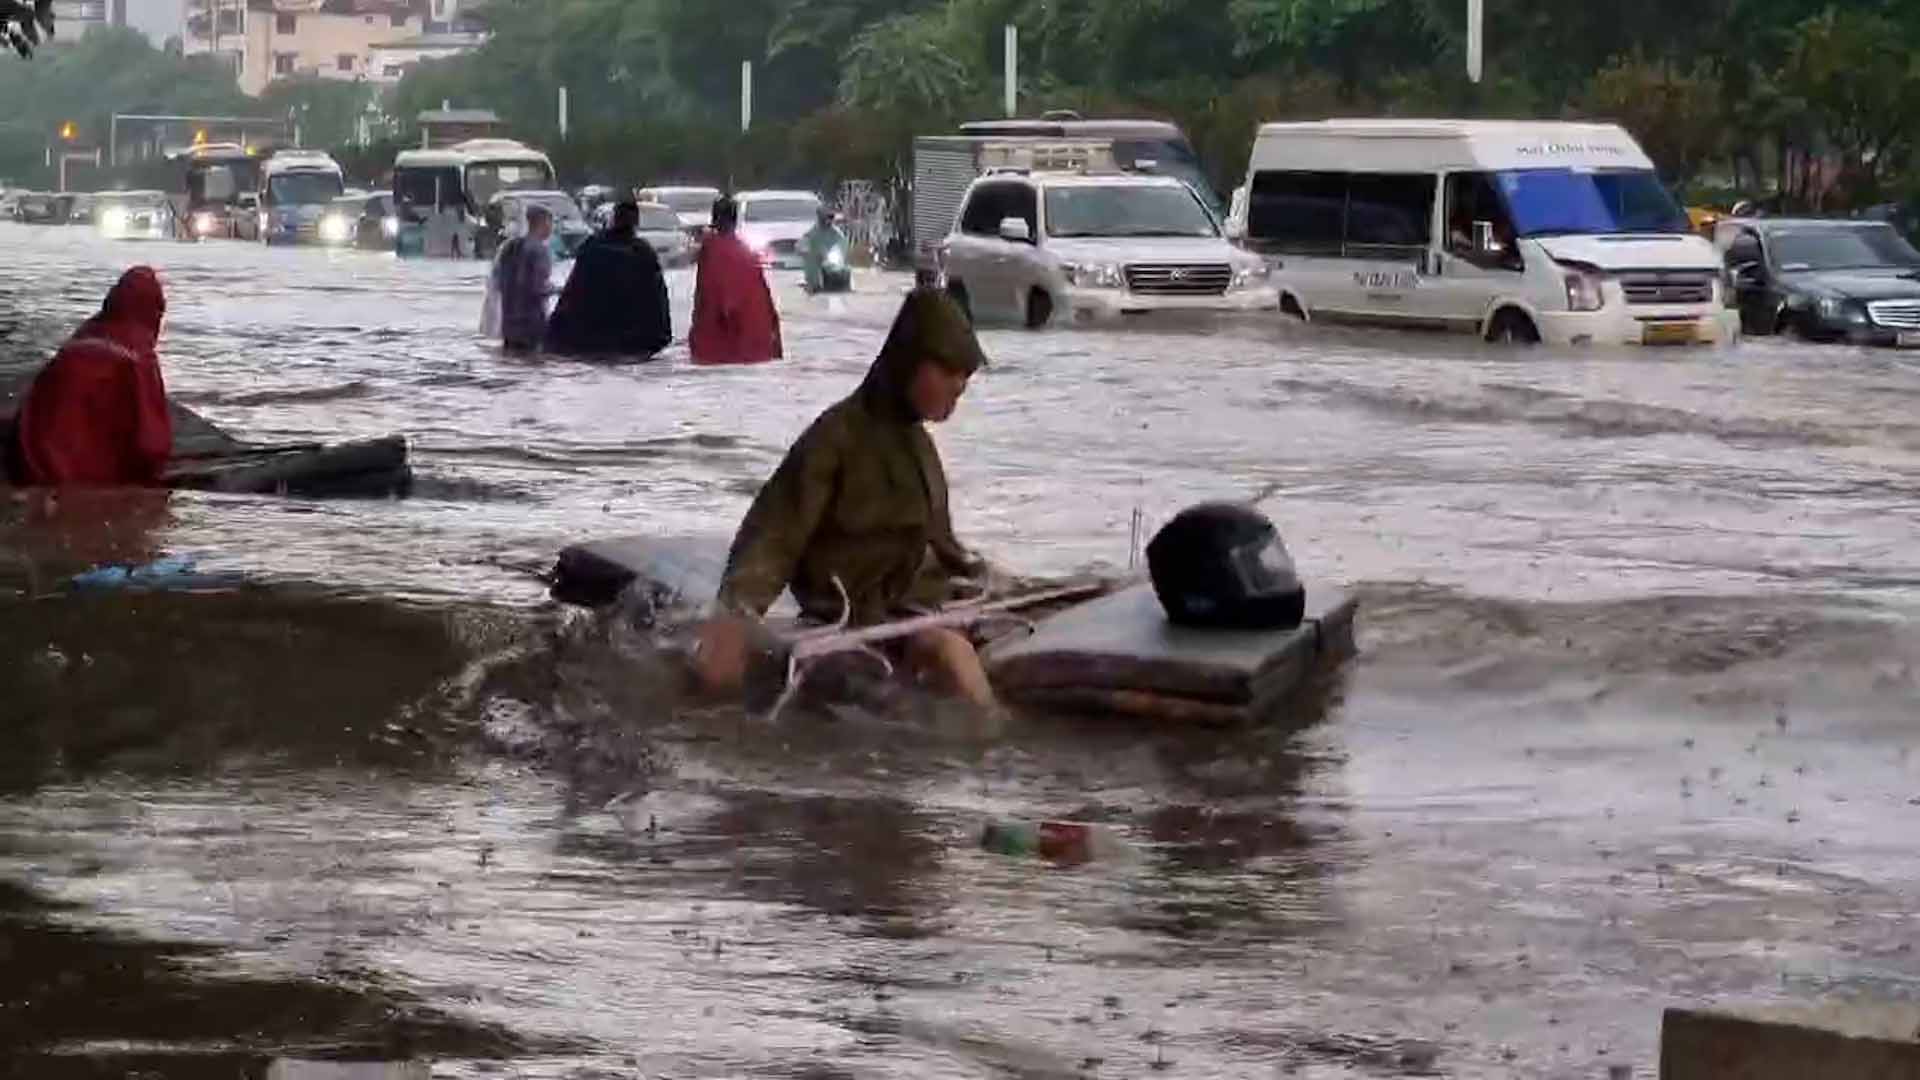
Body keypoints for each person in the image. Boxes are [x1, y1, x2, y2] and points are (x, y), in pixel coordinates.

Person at [693, 288, 996, 708]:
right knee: (952, 656)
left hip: (907, 612)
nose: (959, 385)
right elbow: (774, 536)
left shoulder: (918, 449)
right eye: (947, 370)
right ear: (909, 364)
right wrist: (734, 621)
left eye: (965, 374)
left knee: (959, 648)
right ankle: (997, 750)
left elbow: (943, 546)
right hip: (846, 624)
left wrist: (986, 582)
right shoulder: (835, 439)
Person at [9, 266, 173, 488]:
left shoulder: (78, 342)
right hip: (89, 479)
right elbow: (151, 442)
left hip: (34, 461)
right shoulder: (136, 357)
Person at [545, 201, 673, 358]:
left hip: (588, 340)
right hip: (631, 342)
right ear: (636, 223)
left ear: (613, 219)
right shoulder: (642, 253)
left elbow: (574, 291)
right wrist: (661, 336)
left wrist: (556, 331)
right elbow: (656, 298)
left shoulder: (593, 247)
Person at [689, 195, 782, 366]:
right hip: (753, 342)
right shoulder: (746, 253)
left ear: (714, 219)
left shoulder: (711, 250)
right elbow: (765, 300)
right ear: (735, 219)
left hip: (719, 342)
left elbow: (707, 296)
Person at [494, 203, 555, 352]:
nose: (551, 228)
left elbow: (497, 283)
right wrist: (559, 290)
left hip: (508, 323)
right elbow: (537, 288)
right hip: (531, 325)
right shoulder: (540, 250)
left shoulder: (509, 246)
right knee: (533, 366)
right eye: (551, 223)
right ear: (543, 222)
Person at [800, 205, 849, 294]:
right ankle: (813, 285)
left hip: (830, 259)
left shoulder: (836, 233)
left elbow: (843, 244)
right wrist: (804, 249)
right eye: (825, 217)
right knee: (812, 269)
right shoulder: (812, 233)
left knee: (845, 269)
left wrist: (843, 252)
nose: (828, 220)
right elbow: (802, 243)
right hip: (816, 260)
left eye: (830, 217)